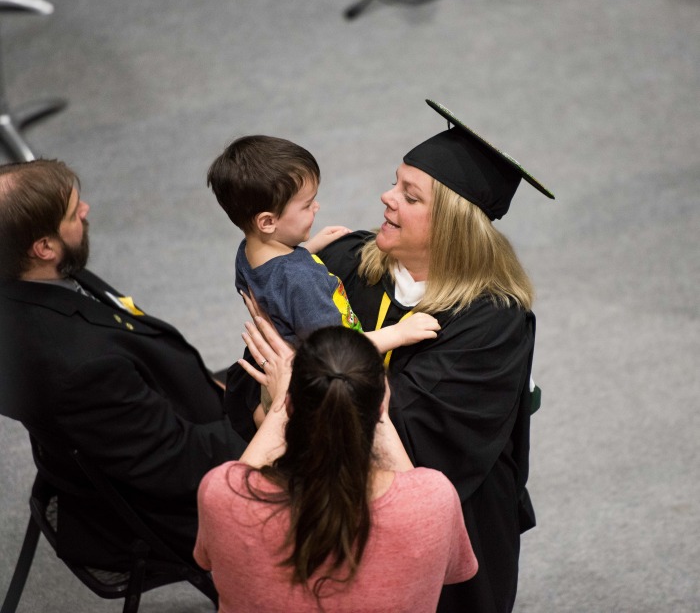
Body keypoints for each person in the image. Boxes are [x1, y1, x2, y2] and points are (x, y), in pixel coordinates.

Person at [227, 100, 555, 613]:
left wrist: (283, 399)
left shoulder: (491, 321)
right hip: (318, 515)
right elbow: (253, 367)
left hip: (433, 536)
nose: (385, 197)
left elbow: (413, 441)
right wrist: (272, 398)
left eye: (409, 195)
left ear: (452, 223)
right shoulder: (336, 264)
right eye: (394, 182)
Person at [0, 159, 247, 569]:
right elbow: (177, 463)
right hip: (183, 501)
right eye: (73, 211)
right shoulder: (77, 367)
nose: (87, 210)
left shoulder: (37, 279)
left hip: (172, 410)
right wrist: (284, 423)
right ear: (43, 247)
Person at [195, 322, 478, 613]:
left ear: (291, 407)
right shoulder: (435, 500)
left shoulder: (220, 493)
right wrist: (377, 412)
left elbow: (209, 554)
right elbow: (452, 571)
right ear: (380, 406)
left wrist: (281, 402)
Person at [207, 135, 439, 418]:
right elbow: (335, 349)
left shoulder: (248, 252)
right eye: (306, 205)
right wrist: (399, 333)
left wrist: (308, 250)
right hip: (315, 391)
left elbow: (272, 279)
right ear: (268, 222)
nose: (316, 207)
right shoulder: (304, 283)